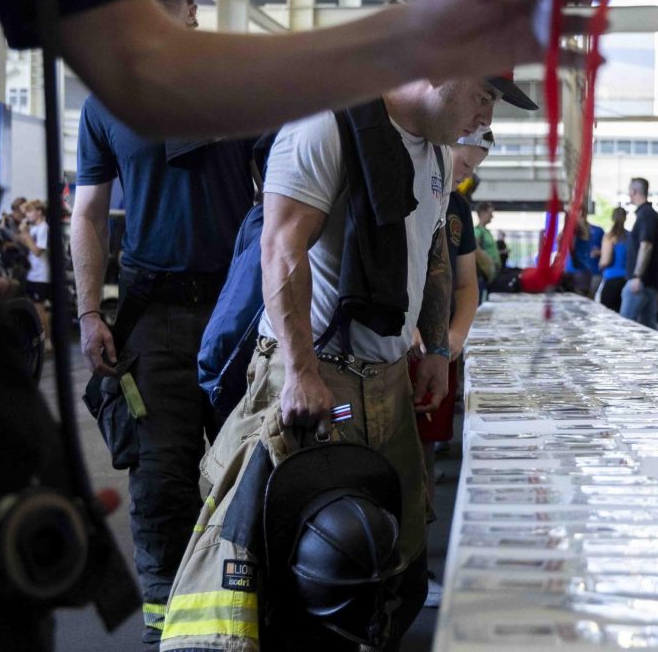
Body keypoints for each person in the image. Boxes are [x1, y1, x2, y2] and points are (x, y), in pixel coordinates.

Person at [0, 0, 597, 646]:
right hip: (183, 321)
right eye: (479, 93)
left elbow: (146, 65)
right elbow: (242, 230)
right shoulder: (313, 133)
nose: (481, 113)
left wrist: (412, 35)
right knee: (187, 496)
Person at [164, 76, 507, 652]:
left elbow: (433, 257)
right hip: (320, 385)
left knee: (386, 567)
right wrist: (300, 372)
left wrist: (437, 349)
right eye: (484, 96)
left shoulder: (438, 160)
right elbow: (281, 247)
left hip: (388, 386)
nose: (486, 116)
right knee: (303, 561)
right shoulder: (325, 125)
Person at [70, 0, 258, 644]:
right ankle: (166, 632)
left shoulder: (240, 94)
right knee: (159, 484)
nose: (153, 10)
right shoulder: (104, 104)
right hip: (154, 322)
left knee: (247, 473)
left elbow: (292, 198)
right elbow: (87, 214)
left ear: (190, 13)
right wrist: (90, 312)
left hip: (237, 317)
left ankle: (242, 620)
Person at [413, 127, 500, 609]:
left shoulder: (457, 208)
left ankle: (415, 565)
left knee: (422, 459)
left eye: (471, 169)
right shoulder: (403, 178)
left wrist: (452, 341)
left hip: (435, 352)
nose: (465, 176)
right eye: (465, 165)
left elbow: (465, 285)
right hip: (385, 347)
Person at [620, 178, 658, 329]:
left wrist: (637, 276)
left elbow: (646, 246)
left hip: (641, 283)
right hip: (649, 283)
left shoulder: (646, 215)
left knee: (625, 325)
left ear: (634, 192)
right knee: (647, 327)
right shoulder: (651, 215)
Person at [17, 199, 51, 345]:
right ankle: (38, 337)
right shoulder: (34, 228)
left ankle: (47, 341)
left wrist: (26, 234)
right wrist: (22, 232)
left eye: (30, 211)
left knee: (39, 309)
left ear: (38, 212)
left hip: (41, 275)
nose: (28, 215)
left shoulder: (44, 228)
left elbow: (37, 251)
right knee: (33, 308)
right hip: (33, 273)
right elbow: (24, 244)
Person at [564, 205, 604, 297]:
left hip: (592, 271)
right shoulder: (568, 232)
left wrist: (599, 252)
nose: (580, 214)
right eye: (577, 212)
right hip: (572, 271)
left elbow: (608, 250)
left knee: (588, 299)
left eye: (582, 212)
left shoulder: (598, 231)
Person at [598, 206, 630, 313]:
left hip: (612, 281)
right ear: (625, 218)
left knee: (608, 319)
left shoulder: (609, 236)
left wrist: (600, 266)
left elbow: (606, 260)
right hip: (627, 281)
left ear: (612, 218)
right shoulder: (631, 237)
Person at [473, 201, 500, 301]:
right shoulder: (478, 231)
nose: (492, 216)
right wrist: (487, 262)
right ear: (483, 213)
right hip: (483, 275)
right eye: (490, 213)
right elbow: (475, 248)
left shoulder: (486, 231)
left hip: (490, 276)